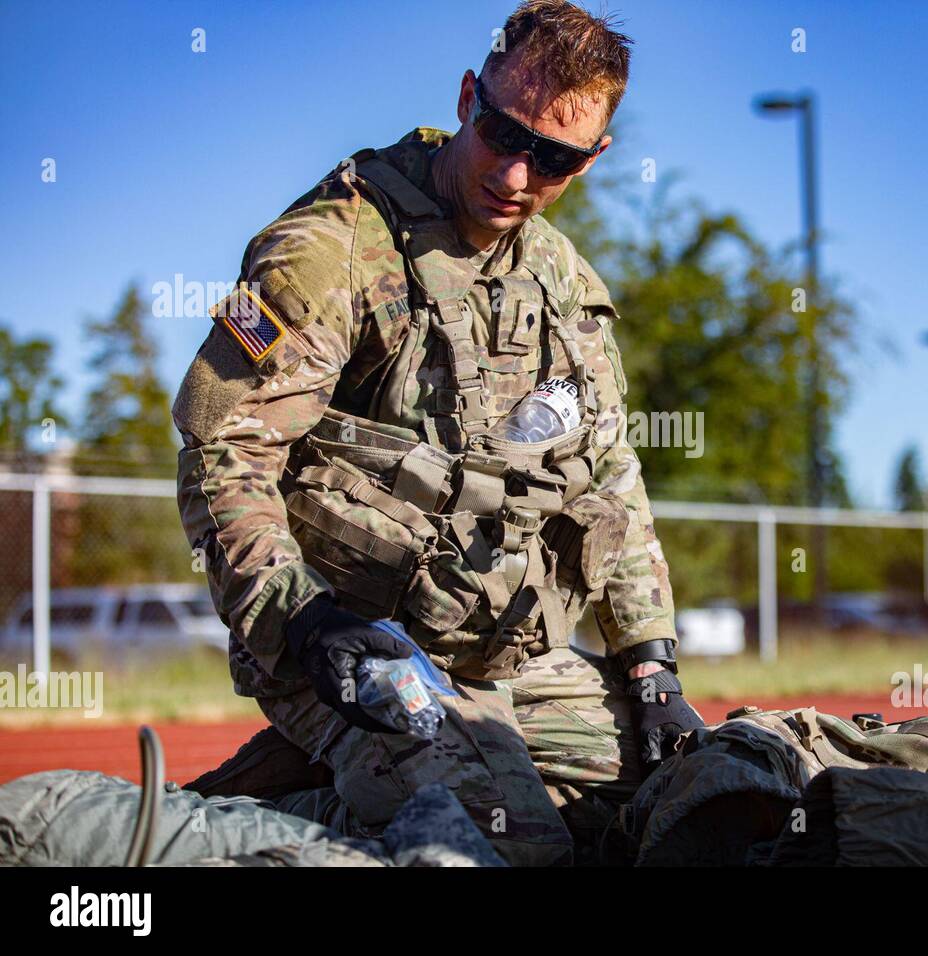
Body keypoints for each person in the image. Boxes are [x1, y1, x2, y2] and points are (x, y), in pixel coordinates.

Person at [173, 0, 702, 866]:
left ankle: (316, 785)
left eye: (556, 159)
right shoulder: (326, 248)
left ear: (594, 156)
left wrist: (650, 664)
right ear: (467, 98)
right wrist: (300, 621)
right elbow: (221, 446)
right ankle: (190, 839)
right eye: (503, 133)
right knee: (510, 845)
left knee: (685, 795)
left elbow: (610, 469)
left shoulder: (563, 281)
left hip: (500, 656)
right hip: (343, 639)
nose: (519, 175)